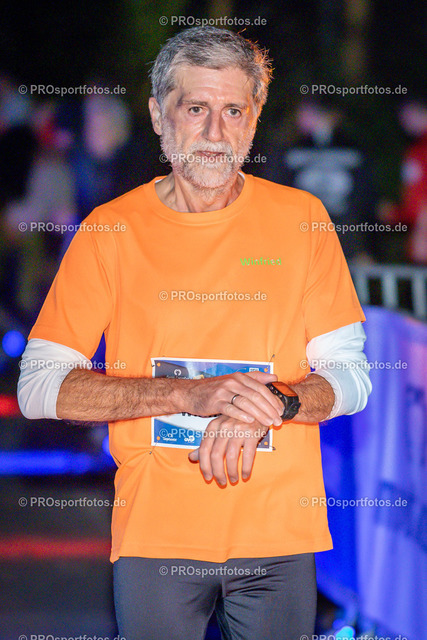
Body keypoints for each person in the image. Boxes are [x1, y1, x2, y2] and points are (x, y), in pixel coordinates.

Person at [17, 27, 372, 640]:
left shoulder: (302, 219)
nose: (214, 133)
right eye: (195, 109)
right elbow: (39, 388)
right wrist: (188, 394)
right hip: (157, 536)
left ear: (254, 121)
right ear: (159, 116)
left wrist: (272, 404)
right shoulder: (110, 230)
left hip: (278, 534)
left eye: (234, 111)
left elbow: (353, 376)